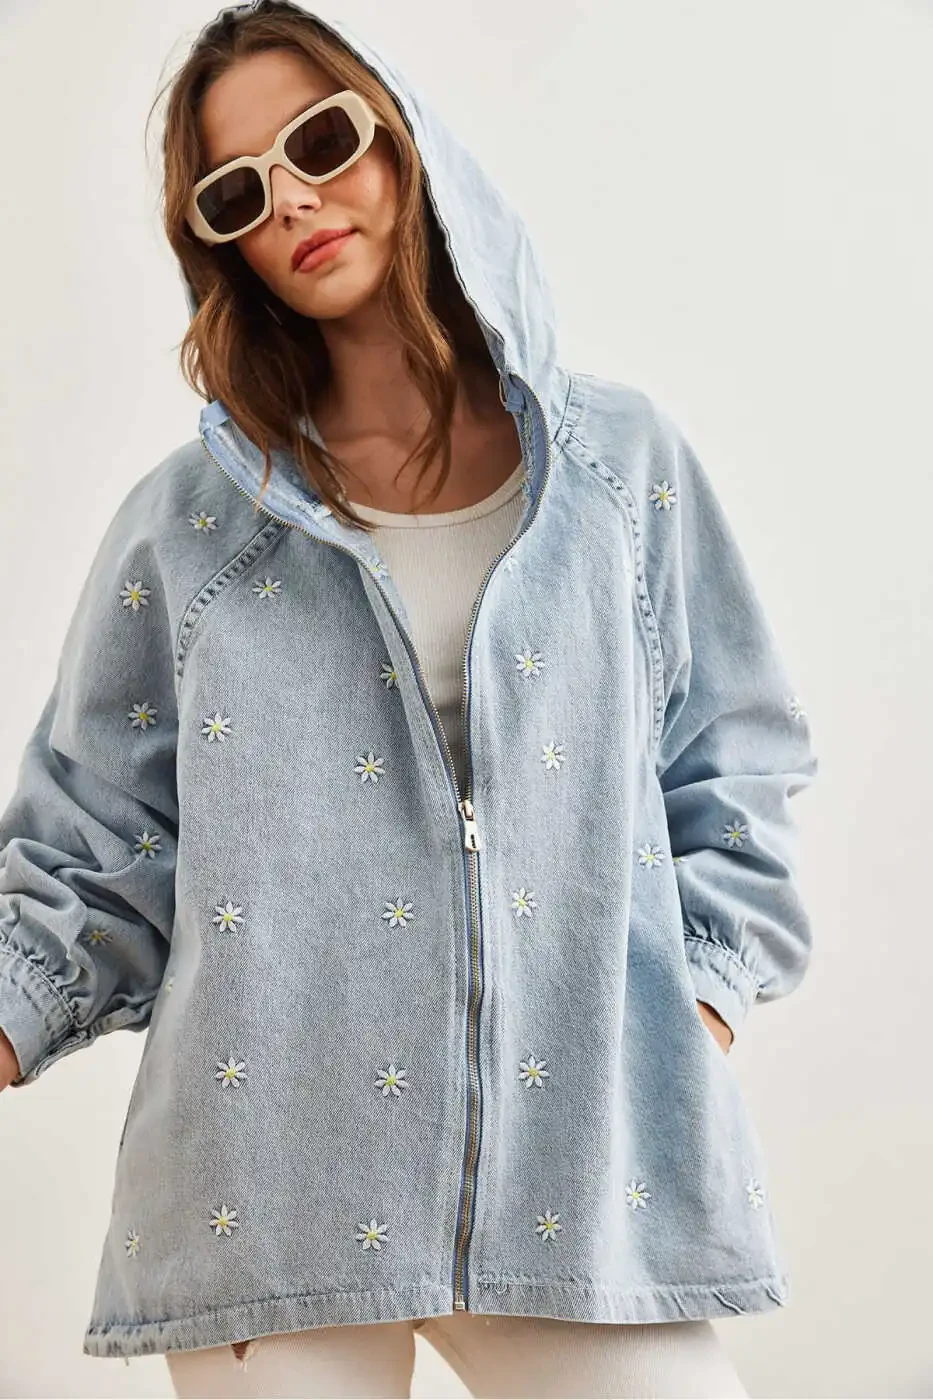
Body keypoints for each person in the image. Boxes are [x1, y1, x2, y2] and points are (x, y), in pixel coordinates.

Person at [0, 2, 819, 1396]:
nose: (291, 201)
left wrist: (692, 1012)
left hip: (577, 1163)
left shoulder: (617, 470)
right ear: (221, 244)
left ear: (405, 142)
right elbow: (93, 844)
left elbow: (731, 762)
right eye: (237, 191)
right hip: (266, 1185)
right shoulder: (189, 529)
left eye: (322, 143)